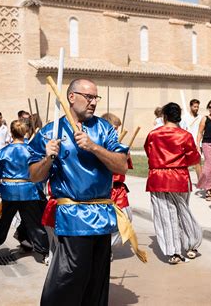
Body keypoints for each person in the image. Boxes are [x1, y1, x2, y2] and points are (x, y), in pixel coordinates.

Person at [29, 78, 129, 305]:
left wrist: (93, 147)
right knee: (68, 276)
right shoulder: (50, 132)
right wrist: (49, 157)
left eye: (96, 97)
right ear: (71, 97)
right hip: (73, 216)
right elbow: (34, 175)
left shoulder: (103, 129)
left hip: (102, 214)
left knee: (97, 278)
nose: (94, 102)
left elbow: (121, 165)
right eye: (89, 97)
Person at [144, 102, 202, 264]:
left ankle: (173, 252)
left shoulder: (153, 135)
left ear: (164, 116)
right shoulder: (185, 135)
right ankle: (191, 244)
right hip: (179, 177)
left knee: (165, 216)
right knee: (182, 211)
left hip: (158, 177)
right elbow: (193, 158)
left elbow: (149, 152)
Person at [0, 120, 49, 262]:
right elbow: (39, 171)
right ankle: (44, 253)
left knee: (4, 221)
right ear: (24, 132)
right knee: (35, 223)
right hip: (28, 191)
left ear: (11, 133)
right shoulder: (32, 150)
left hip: (10, 192)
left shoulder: (3, 151)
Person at [100, 112, 133, 251]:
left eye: (117, 130)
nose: (116, 133)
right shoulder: (98, 146)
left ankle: (108, 247)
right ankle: (104, 248)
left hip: (119, 190)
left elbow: (124, 168)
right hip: (105, 191)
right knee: (107, 222)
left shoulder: (119, 147)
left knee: (126, 219)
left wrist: (124, 155)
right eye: (114, 129)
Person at [196, 100, 211, 199]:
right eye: (210, 107)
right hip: (207, 144)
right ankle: (207, 188)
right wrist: (198, 145)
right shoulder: (204, 119)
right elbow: (200, 132)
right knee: (210, 167)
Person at [181, 99, 202, 180]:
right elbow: (182, 130)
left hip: (197, 143)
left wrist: (199, 143)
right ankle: (185, 180)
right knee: (185, 163)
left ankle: (200, 182)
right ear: (190, 106)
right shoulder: (184, 117)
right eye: (194, 107)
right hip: (187, 143)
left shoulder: (200, 118)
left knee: (197, 163)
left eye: (197, 107)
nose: (196, 108)